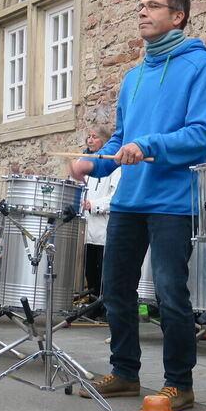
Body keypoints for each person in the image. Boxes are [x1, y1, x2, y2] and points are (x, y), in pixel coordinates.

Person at [69, 0, 206, 411]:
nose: (142, 12)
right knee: (115, 289)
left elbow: (198, 136)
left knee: (171, 294)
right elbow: (120, 140)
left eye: (152, 6)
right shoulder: (133, 76)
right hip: (129, 202)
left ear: (177, 16)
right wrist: (93, 163)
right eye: (140, 5)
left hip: (173, 202)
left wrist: (149, 144)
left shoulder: (200, 65)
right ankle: (124, 372)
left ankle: (180, 383)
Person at [82, 126, 120, 308]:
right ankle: (92, 304)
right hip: (88, 229)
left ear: (104, 141)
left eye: (94, 137)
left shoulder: (113, 166)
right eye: (88, 137)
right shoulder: (87, 163)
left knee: (104, 271)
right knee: (90, 270)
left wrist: (94, 205)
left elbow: (116, 197)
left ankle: (104, 306)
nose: (90, 140)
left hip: (104, 228)